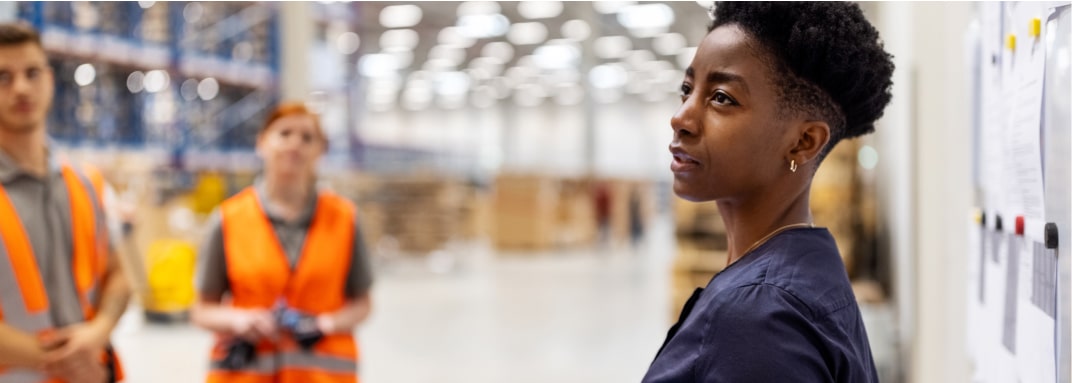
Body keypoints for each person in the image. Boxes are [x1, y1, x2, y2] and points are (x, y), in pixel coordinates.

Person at [644, 2, 893, 382]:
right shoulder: (809, 267)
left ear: (803, 143)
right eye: (687, 89)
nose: (681, 119)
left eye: (721, 98)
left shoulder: (757, 316)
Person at [191, 102, 374, 383]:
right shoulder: (229, 219)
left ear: (320, 150)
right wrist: (239, 321)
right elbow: (202, 310)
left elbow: (363, 303)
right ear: (261, 143)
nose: (295, 144)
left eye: (307, 137)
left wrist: (326, 323)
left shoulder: (344, 218)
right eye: (284, 133)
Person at [0, 23, 130, 382]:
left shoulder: (88, 183)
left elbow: (118, 275)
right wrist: (63, 359)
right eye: (3, 77)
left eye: (31, 73)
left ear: (50, 80)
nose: (21, 88)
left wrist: (98, 332)